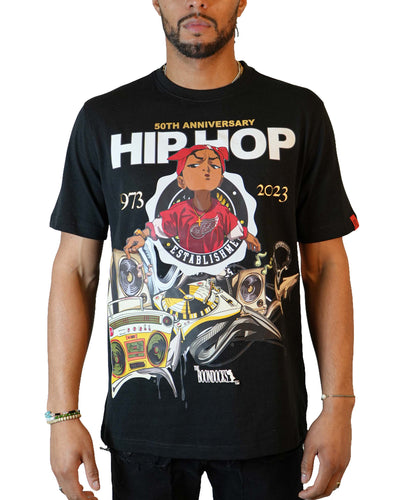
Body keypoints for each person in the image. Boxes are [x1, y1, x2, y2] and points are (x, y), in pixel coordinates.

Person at [47, 1, 358, 499]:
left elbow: (324, 266)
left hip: (267, 427)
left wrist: (339, 404)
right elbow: (75, 269)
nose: (196, 2)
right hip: (144, 423)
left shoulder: (298, 113)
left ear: (242, 1)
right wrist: (62, 415)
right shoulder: (104, 119)